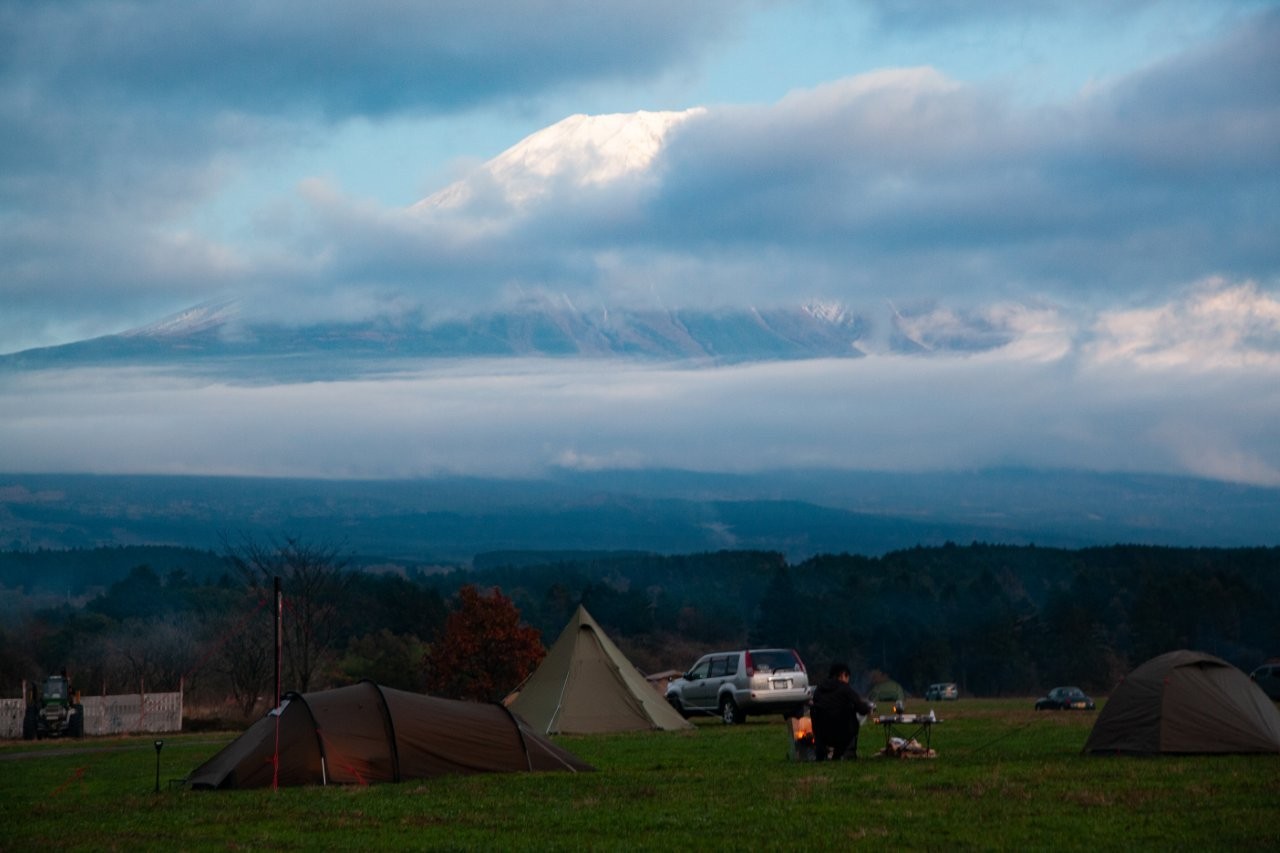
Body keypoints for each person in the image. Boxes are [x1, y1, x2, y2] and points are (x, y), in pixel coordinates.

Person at [810, 663, 873, 761]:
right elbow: (861, 708)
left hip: (820, 733)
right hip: (840, 733)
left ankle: (821, 754)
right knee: (853, 718)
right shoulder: (845, 688)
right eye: (847, 677)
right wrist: (869, 708)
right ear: (843, 675)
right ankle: (840, 754)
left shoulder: (819, 689)